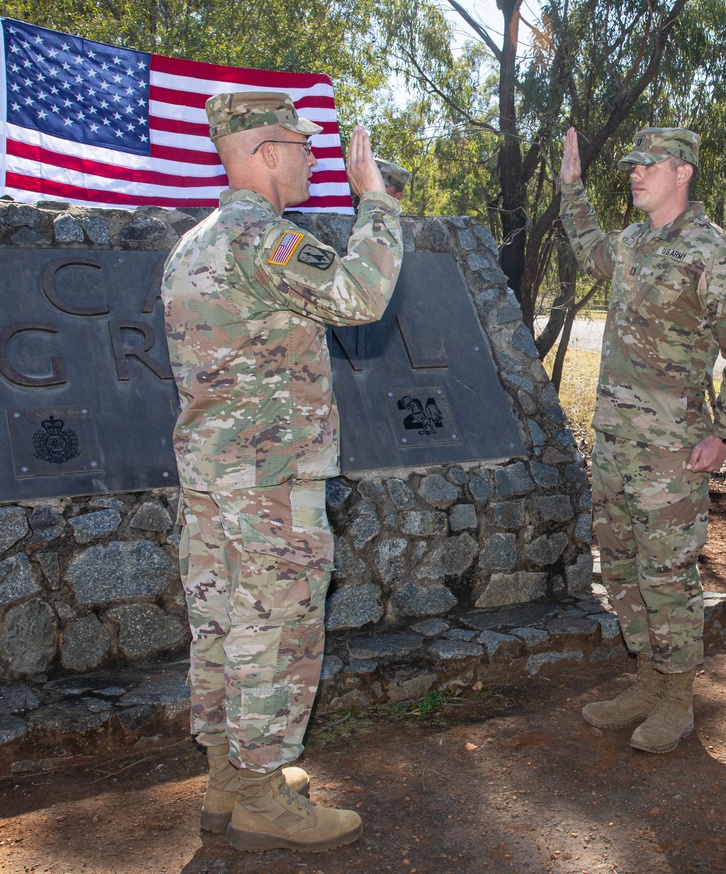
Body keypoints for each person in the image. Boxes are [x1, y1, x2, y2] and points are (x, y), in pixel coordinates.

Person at [161, 92, 403, 851]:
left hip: (212, 481)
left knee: (223, 627)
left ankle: (229, 779)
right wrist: (378, 205)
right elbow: (361, 294)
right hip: (268, 481)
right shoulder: (261, 238)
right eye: (301, 146)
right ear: (266, 152)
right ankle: (263, 797)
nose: (310, 158)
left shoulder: (193, 242)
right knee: (276, 631)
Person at [559, 126, 726, 753]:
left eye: (648, 164)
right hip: (616, 444)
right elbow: (585, 242)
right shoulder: (629, 245)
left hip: (672, 452)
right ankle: (647, 681)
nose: (635, 172)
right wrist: (571, 186)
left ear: (683, 172)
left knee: (668, 572)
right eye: (632, 163)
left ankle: (677, 698)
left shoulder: (716, 255)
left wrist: (724, 434)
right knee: (621, 568)